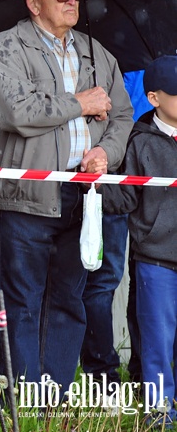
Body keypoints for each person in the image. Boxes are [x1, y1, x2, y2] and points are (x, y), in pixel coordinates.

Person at [0, 0, 132, 388]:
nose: (72, 1)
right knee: (23, 302)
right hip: (23, 195)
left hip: (84, 194)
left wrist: (106, 152)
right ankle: (25, 395)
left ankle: (56, 397)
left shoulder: (95, 52)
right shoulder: (7, 47)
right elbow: (16, 112)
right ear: (34, 3)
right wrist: (78, 103)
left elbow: (121, 115)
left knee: (68, 300)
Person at [113, 0, 176, 384]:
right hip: (130, 147)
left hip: (167, 138)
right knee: (135, 276)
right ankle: (138, 372)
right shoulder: (108, 3)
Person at [104, 55, 177, 428]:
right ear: (153, 98)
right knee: (157, 342)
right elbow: (124, 201)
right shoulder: (138, 142)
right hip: (155, 259)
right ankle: (160, 413)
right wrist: (101, 181)